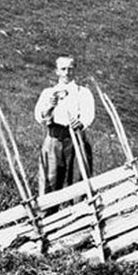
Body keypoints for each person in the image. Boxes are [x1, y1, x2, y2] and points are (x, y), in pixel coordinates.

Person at [32, 55, 97, 194]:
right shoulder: (48, 93)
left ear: (75, 70)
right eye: (63, 69)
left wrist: (80, 122)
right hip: (54, 140)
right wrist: (49, 106)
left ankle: (80, 212)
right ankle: (48, 215)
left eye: (70, 69)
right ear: (57, 71)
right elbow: (39, 116)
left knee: (78, 180)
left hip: (76, 140)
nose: (67, 73)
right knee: (50, 180)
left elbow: (89, 115)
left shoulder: (83, 93)